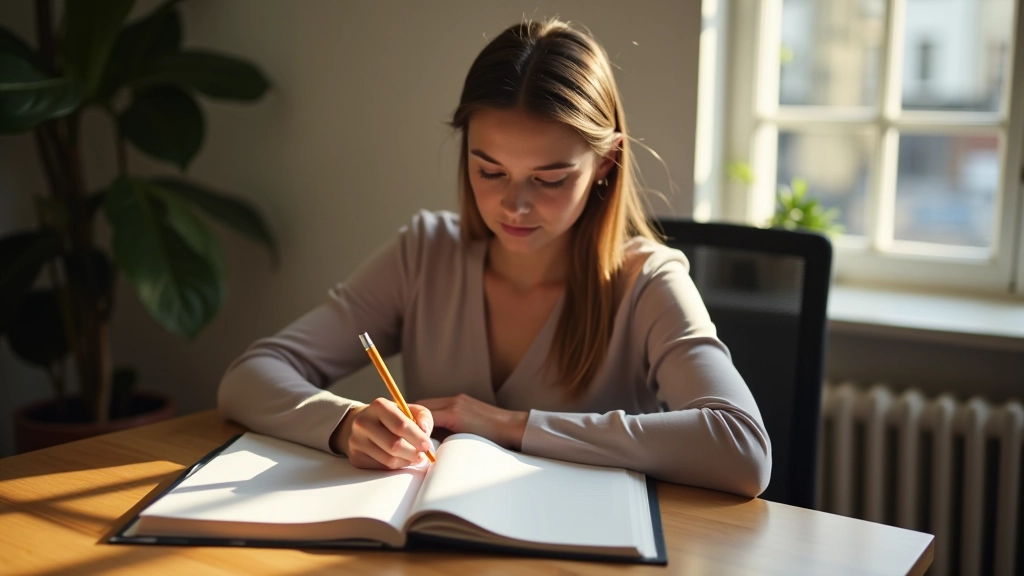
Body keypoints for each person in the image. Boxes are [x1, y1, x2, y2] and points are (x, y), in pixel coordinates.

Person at [219, 18, 771, 498]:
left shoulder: (646, 281)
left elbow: (743, 449)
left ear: (605, 164)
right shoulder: (424, 254)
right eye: (490, 171)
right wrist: (347, 423)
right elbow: (249, 377)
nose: (515, 204)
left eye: (549, 179)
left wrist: (509, 426)